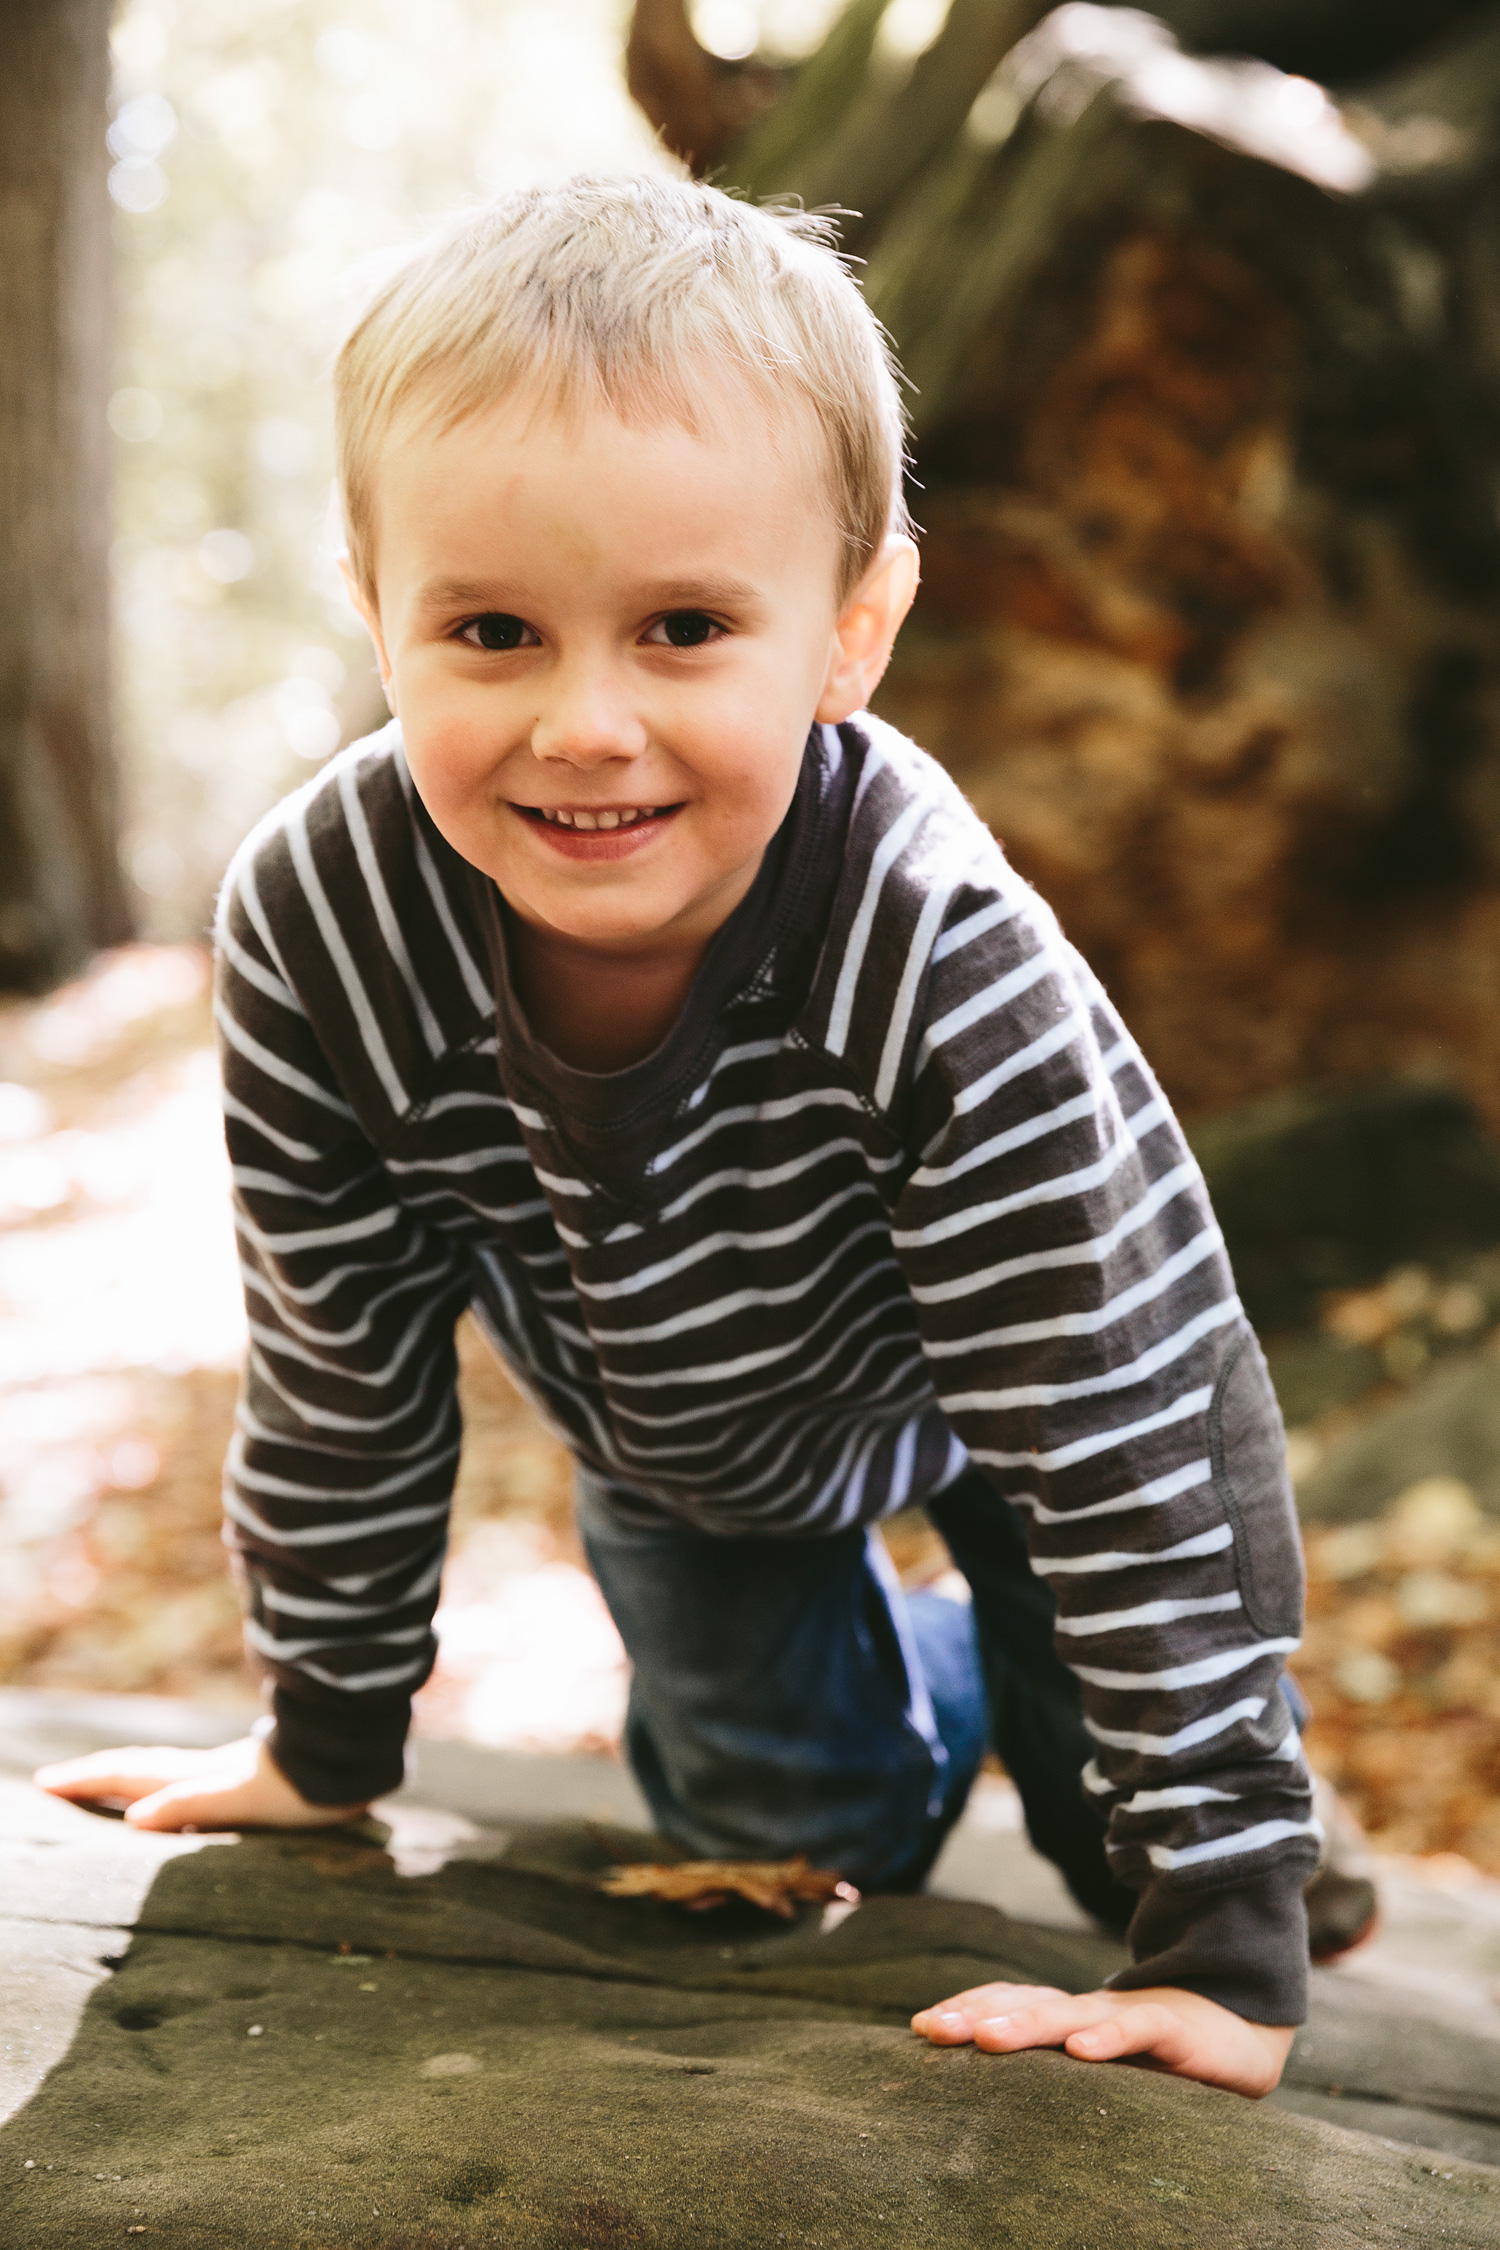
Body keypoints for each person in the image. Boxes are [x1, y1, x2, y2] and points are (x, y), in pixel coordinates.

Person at [38, 176, 1319, 2099]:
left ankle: (1142, 1745)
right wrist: (323, 1740)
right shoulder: (320, 926)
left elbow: (1131, 1421)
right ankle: (942, 1679)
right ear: (376, 614)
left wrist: (1228, 1931)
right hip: (685, 1435)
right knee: (813, 1833)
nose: (587, 721)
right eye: (491, 629)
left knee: (1102, 1798)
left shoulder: (931, 951)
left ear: (850, 630)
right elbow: (341, 1357)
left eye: (686, 626)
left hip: (1028, 1383)